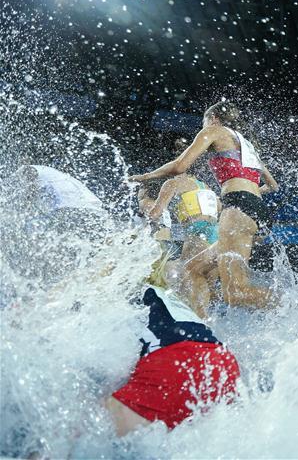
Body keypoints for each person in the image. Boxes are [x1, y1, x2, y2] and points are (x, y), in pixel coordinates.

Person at [130, 100, 278, 310]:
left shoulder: (214, 130)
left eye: (204, 122)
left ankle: (292, 305)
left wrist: (145, 176)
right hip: (256, 211)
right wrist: (248, 195)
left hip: (238, 209)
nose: (203, 128)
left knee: (235, 292)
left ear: (214, 119)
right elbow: (273, 186)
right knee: (193, 269)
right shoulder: (246, 145)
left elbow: (180, 166)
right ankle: (200, 324)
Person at [105, 281, 240, 435]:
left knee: (90, 419)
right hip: (222, 364)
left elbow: (110, 370)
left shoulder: (112, 297)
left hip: (176, 365)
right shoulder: (164, 295)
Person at [139, 174, 222, 317]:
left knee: (190, 277)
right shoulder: (204, 187)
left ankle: (201, 323)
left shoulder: (171, 183)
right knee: (209, 286)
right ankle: (213, 322)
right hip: (215, 232)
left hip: (197, 231)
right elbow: (219, 208)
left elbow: (155, 213)